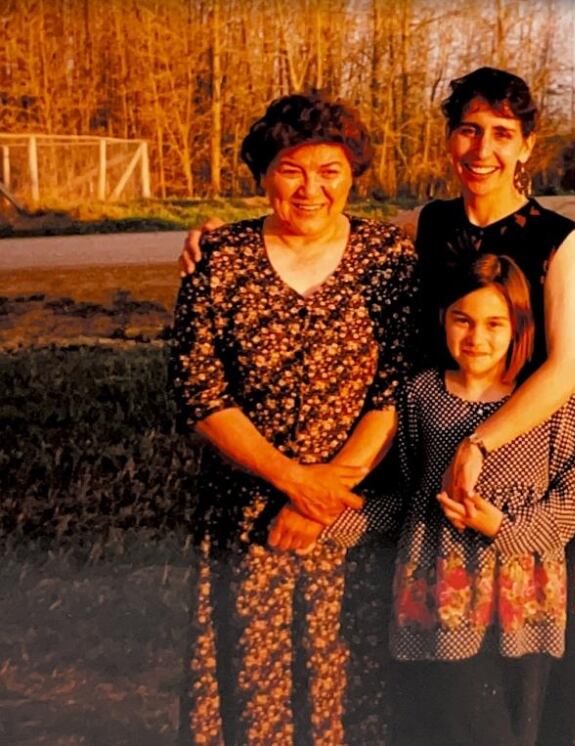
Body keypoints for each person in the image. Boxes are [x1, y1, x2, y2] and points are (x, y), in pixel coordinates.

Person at [179, 66, 575, 744]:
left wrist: (479, 444)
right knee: (430, 674)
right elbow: (322, 225)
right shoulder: (419, 228)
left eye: (501, 134)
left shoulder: (556, 236)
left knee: (521, 677)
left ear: (526, 147)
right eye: (467, 130)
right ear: (449, 139)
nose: (481, 149)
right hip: (427, 454)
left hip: (515, 471)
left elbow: (566, 368)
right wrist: (220, 231)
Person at [169, 91, 418, 745]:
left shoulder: (390, 262)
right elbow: (199, 391)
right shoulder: (218, 261)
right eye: (291, 169)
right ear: (263, 175)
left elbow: (395, 388)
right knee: (254, 696)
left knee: (353, 685)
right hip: (248, 513)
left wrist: (324, 494)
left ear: (353, 176)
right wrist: (291, 481)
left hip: (353, 513)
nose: (312, 188)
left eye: (330, 170)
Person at [319, 253, 575, 746]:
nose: (476, 338)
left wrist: (503, 530)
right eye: (462, 320)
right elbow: (408, 497)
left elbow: (574, 496)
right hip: (438, 592)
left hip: (522, 595)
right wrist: (329, 520)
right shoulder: (420, 394)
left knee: (515, 723)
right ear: (442, 318)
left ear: (519, 326)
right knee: (447, 719)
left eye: (494, 323)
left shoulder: (548, 399)